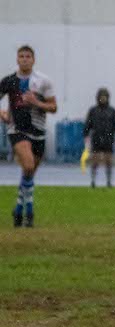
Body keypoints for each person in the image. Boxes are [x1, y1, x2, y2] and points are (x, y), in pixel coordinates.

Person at [0, 45, 57, 228]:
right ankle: (29, 210)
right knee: (28, 164)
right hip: (17, 130)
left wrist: (36, 102)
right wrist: (3, 114)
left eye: (28, 56)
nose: (24, 59)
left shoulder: (43, 81)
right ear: (17, 60)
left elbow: (54, 107)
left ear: (33, 60)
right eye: (21, 56)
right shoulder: (9, 81)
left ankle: (18, 208)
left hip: (38, 132)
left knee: (29, 172)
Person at [83, 87, 115, 188]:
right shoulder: (93, 111)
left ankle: (109, 181)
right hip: (96, 139)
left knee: (108, 161)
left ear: (108, 98)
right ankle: (93, 181)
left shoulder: (112, 111)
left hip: (108, 139)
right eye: (101, 97)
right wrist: (85, 135)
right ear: (98, 98)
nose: (103, 99)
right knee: (95, 161)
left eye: (105, 97)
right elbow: (88, 124)